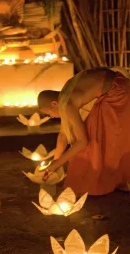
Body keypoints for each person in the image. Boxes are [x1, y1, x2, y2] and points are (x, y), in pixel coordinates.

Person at [37, 67, 130, 195]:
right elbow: (63, 135)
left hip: (118, 91)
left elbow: (83, 142)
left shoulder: (67, 103)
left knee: (95, 138)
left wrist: (59, 163)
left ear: (54, 104)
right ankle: (115, 179)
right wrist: (55, 163)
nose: (52, 117)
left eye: (49, 113)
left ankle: (107, 180)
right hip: (115, 86)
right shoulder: (66, 95)